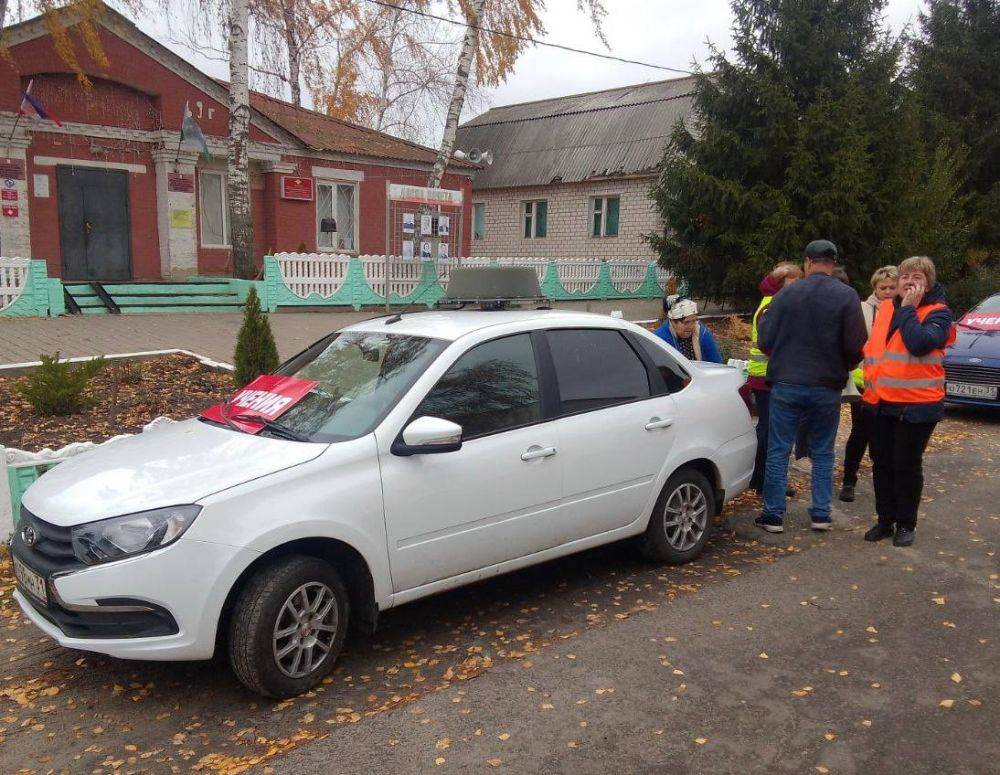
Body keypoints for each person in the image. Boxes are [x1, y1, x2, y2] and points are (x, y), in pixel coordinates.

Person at [754, 240, 867, 533]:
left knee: (779, 450)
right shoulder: (847, 296)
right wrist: (845, 366)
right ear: (833, 263)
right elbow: (856, 345)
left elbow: (765, 340)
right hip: (827, 385)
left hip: (787, 383)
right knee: (823, 450)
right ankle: (820, 513)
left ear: (807, 262)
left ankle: (773, 515)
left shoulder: (787, 294)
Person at [861, 256, 954, 547]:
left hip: (917, 404)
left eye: (918, 277)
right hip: (880, 401)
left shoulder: (939, 313)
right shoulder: (887, 308)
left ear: (929, 283)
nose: (909, 282)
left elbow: (918, 343)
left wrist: (909, 310)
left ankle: (905, 523)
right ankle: (884, 520)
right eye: (905, 277)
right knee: (881, 464)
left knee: (906, 465)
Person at [838, 265, 898, 502]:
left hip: (893, 382)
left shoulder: (904, 310)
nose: (888, 291)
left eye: (892, 287)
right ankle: (849, 480)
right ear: (875, 288)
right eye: (883, 287)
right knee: (860, 432)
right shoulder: (863, 309)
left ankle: (883, 481)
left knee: (886, 435)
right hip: (866, 381)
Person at [748, 261, 803, 493]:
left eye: (797, 285)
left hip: (775, 376)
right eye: (789, 285)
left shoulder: (779, 303)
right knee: (771, 432)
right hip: (767, 378)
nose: (794, 290)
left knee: (775, 432)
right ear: (779, 285)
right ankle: (762, 480)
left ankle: (767, 479)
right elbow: (769, 343)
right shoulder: (772, 306)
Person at [653, 297, 724, 363]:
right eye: (686, 322)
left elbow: (717, 363)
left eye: (694, 321)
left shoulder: (703, 335)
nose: (691, 326)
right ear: (673, 322)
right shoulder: (660, 339)